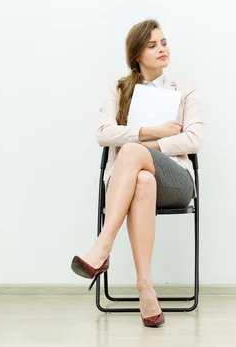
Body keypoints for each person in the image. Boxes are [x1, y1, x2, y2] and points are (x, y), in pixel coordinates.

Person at [71, 19, 203, 328]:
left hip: (176, 181)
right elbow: (103, 133)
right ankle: (146, 288)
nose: (162, 49)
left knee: (131, 152)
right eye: (152, 45)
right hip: (132, 184)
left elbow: (194, 139)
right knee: (142, 179)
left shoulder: (183, 91)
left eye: (164, 42)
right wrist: (151, 130)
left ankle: (103, 246)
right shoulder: (119, 89)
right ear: (136, 55)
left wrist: (148, 145)